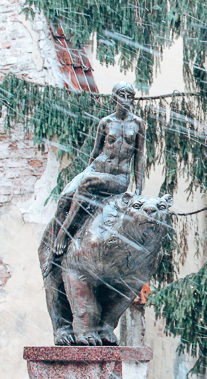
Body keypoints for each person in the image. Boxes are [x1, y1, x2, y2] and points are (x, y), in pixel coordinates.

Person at [51, 81, 146, 256]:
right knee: (65, 197)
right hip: (96, 169)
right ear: (114, 98)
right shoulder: (105, 122)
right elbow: (95, 152)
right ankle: (54, 252)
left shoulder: (138, 124)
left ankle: (62, 235)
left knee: (87, 183)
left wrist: (138, 189)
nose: (125, 100)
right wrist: (88, 172)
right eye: (121, 95)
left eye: (129, 96)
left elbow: (139, 158)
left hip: (119, 177)